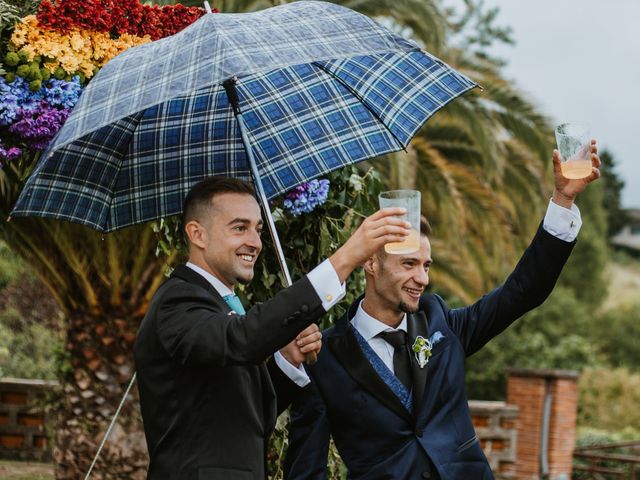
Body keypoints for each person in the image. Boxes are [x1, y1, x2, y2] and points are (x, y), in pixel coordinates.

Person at [284, 144, 602, 480]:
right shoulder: (324, 360)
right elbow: (306, 469)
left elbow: (522, 292)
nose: (422, 278)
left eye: (426, 265)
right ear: (370, 262)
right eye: (408, 264)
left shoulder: (441, 322)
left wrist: (562, 201)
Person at [133, 176, 411, 480]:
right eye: (240, 228)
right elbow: (242, 339)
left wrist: (287, 361)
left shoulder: (218, 305)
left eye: (258, 229)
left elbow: (249, 419)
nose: (254, 242)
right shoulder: (177, 303)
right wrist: (344, 260)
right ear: (197, 234)